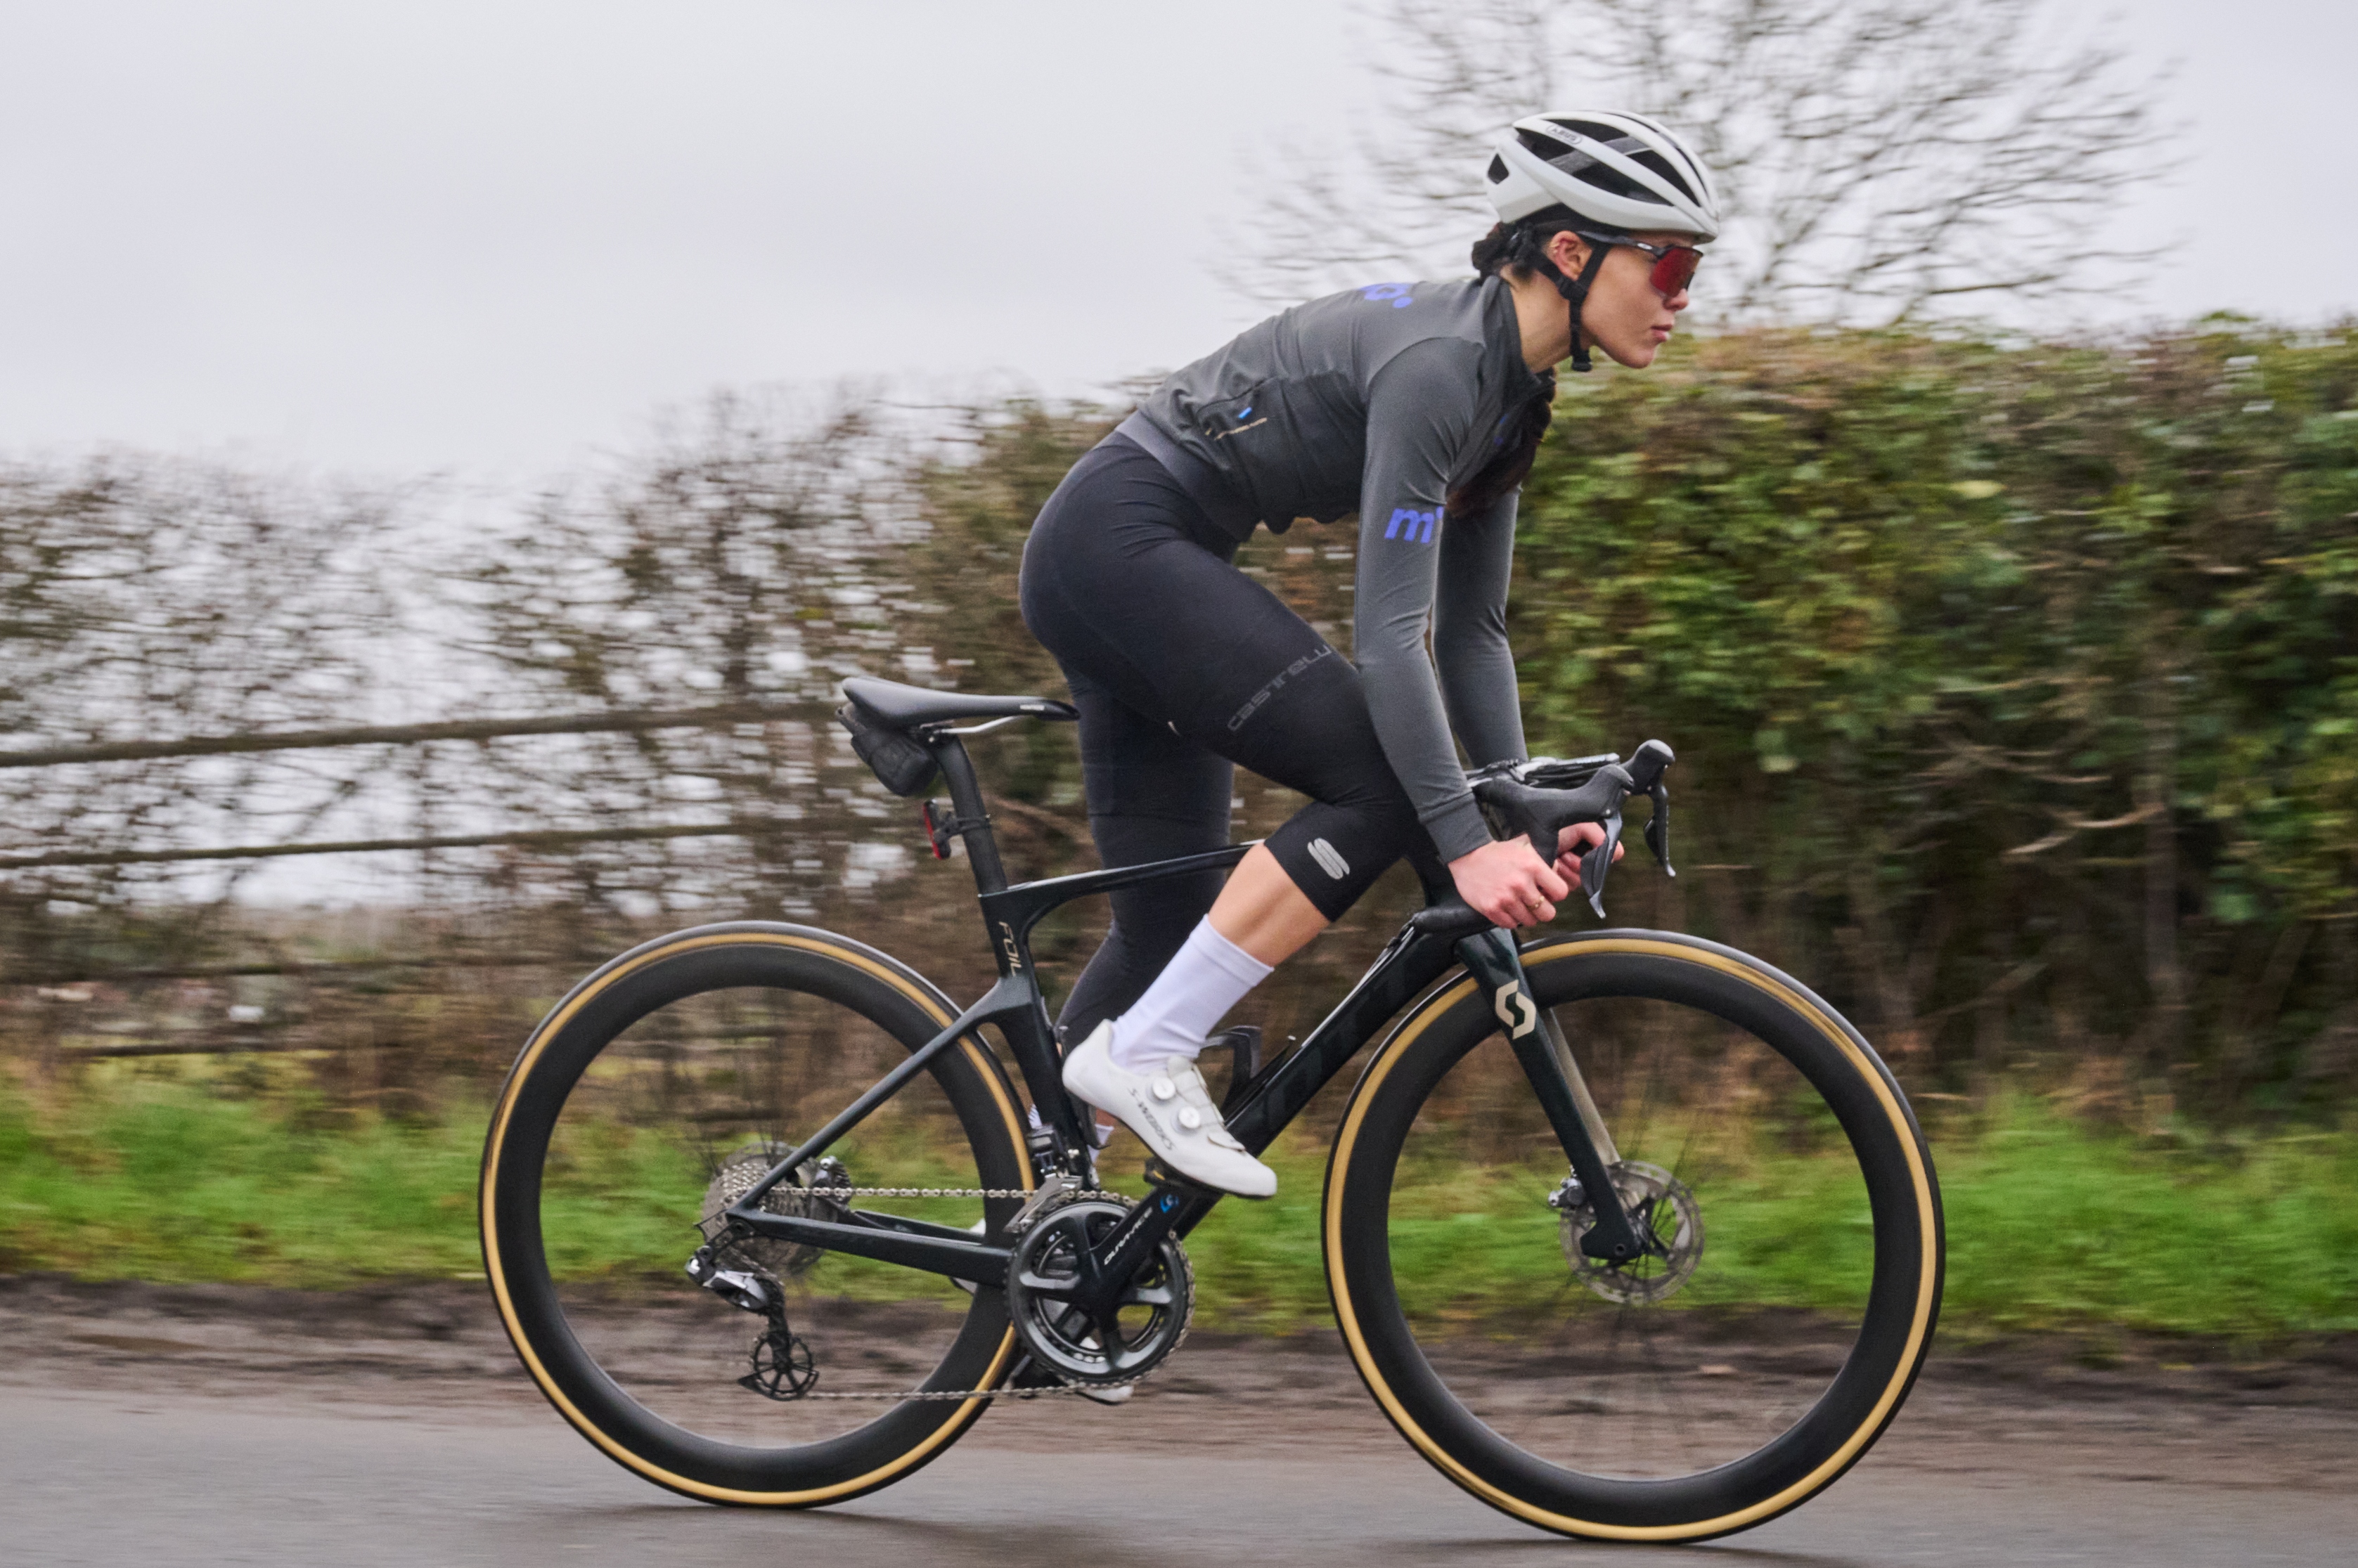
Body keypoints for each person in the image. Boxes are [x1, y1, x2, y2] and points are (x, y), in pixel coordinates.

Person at [1018, 110, 1718, 1198]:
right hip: (1116, 543)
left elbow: (1472, 632)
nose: (1682, 296)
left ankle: (1042, 1222)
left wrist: (1515, 800)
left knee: (1165, 922)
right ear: (1571, 254)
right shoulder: (1443, 369)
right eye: (1668, 263)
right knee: (1385, 775)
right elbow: (1392, 638)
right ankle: (1147, 1056)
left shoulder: (1509, 396)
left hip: (1139, 554)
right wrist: (1459, 828)